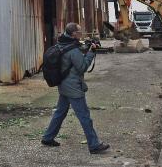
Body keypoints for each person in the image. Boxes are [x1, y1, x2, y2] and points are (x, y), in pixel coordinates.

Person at [41, 23, 110, 154]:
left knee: (60, 112)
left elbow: (74, 55)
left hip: (64, 85)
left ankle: (47, 137)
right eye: (79, 31)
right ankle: (94, 145)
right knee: (84, 116)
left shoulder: (61, 43)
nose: (81, 33)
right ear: (74, 34)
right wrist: (91, 53)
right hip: (73, 88)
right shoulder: (72, 50)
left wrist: (86, 47)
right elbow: (82, 66)